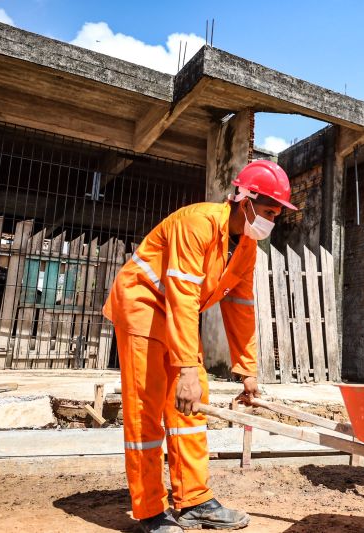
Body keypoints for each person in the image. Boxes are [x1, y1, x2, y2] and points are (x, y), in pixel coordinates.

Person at [103, 160, 297, 532]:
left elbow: (240, 308)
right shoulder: (198, 223)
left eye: (276, 214)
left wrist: (248, 371)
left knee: (191, 407)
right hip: (143, 306)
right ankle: (150, 511)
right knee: (147, 407)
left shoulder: (247, 249)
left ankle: (193, 501)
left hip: (176, 313)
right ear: (246, 201)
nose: (272, 221)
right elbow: (181, 296)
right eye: (269, 211)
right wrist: (188, 368)